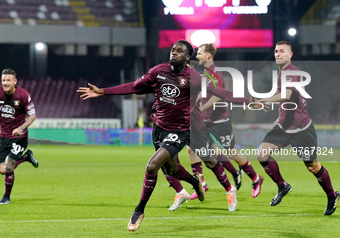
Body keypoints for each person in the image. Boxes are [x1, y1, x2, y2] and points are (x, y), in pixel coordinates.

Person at [77, 40, 255, 231]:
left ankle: (139, 210)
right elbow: (135, 86)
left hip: (180, 131)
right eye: (173, 50)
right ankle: (195, 181)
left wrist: (249, 101)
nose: (174, 53)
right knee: (171, 170)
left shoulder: (193, 77)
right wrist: (103, 92)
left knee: (153, 165)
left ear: (187, 57)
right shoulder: (159, 71)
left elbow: (221, 93)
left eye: (179, 51)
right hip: (159, 129)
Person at [256, 41, 339, 215]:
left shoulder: (292, 72)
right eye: (276, 51)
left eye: (282, 51)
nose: (278, 54)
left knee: (313, 167)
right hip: (285, 127)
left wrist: (264, 100)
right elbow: (292, 100)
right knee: (262, 153)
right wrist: (280, 116)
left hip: (302, 130)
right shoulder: (281, 73)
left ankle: (332, 196)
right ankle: (282, 186)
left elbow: (286, 95)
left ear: (290, 54)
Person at [188, 43, 264, 200]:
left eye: (200, 53)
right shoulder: (204, 75)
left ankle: (256, 178)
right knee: (193, 149)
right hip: (204, 120)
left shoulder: (216, 74)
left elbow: (219, 95)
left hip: (219, 120)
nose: (197, 56)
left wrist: (201, 108)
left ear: (208, 56)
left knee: (231, 153)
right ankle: (201, 183)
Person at [0, 68, 39, 204]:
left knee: (8, 167)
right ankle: (26, 157)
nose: (5, 83)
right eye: (3, 80)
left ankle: (6, 197)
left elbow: (32, 115)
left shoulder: (23, 95)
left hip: (19, 137)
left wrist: (21, 127)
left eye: (8, 80)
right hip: (3, 137)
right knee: (2, 170)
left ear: (14, 81)